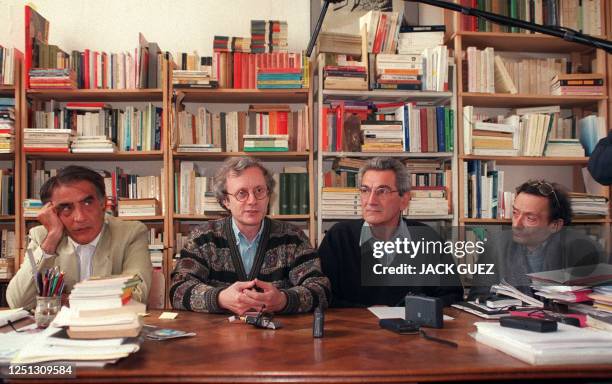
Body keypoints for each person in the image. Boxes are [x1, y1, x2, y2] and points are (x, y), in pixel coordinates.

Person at [170, 157, 330, 315]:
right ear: (226, 200)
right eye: (242, 193)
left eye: (259, 191)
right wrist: (220, 298)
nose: (252, 200)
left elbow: (320, 289)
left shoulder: (293, 238)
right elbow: (178, 289)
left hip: (279, 336)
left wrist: (283, 300)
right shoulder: (203, 238)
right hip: (220, 336)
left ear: (268, 196)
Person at [318, 157, 463, 307]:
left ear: (404, 200)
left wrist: (406, 312)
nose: (371, 201)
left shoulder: (428, 239)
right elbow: (322, 296)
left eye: (382, 191)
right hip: (354, 329)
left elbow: (452, 298)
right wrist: (370, 314)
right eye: (365, 190)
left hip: (412, 328)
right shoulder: (339, 237)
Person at [7, 165, 152, 309]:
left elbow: (136, 294)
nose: (80, 217)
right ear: (52, 212)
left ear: (103, 204)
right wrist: (51, 241)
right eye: (66, 207)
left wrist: (69, 300)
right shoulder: (42, 236)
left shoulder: (130, 234)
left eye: (88, 203)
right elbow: (18, 301)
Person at [469, 180, 603, 299]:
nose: (516, 224)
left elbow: (599, 302)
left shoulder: (585, 250)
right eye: (515, 213)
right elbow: (478, 297)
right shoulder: (496, 245)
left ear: (555, 225)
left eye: (530, 218)